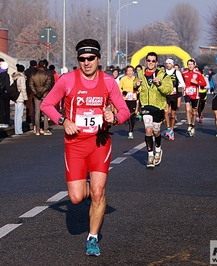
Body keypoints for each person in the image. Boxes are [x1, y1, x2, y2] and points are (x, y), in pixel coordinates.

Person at [41, 39, 130, 257]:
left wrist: (115, 117)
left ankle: (92, 238)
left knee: (99, 192)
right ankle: (90, 189)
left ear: (98, 59)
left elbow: (125, 111)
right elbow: (46, 105)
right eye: (82, 59)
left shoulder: (109, 82)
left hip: (100, 143)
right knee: (76, 198)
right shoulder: (67, 80)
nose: (86, 62)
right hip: (75, 145)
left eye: (90, 58)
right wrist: (63, 121)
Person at [134, 52, 173, 167]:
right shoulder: (140, 73)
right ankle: (150, 155)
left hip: (158, 106)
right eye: (149, 60)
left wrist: (159, 84)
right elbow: (134, 84)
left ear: (156, 62)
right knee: (148, 130)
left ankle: (158, 150)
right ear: (145, 61)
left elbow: (169, 89)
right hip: (145, 105)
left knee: (156, 131)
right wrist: (135, 84)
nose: (150, 63)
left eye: (153, 61)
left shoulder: (163, 75)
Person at [181, 59, 207, 137]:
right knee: (188, 109)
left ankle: (193, 125)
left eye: (191, 64)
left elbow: (204, 83)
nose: (190, 66)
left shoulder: (198, 73)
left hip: (195, 94)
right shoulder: (184, 73)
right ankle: (189, 124)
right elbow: (181, 81)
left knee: (194, 112)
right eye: (189, 64)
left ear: (194, 65)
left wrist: (196, 82)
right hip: (187, 93)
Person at [29, 59, 52, 135]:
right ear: (44, 65)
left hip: (36, 95)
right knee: (45, 112)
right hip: (45, 94)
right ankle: (45, 129)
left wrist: (36, 92)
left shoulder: (33, 74)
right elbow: (48, 85)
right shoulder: (46, 74)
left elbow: (31, 84)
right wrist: (42, 92)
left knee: (37, 112)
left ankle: (37, 130)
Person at [164, 58, 184, 140]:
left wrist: (174, 87)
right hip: (165, 95)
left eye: (169, 63)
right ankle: (168, 127)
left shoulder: (177, 72)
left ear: (172, 64)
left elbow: (182, 83)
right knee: (165, 111)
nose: (168, 65)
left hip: (174, 95)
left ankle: (171, 130)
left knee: (172, 115)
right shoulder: (163, 72)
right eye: (167, 63)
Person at [118, 65, 138, 139]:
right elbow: (119, 88)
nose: (130, 72)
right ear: (126, 72)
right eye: (128, 71)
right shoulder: (123, 79)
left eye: (131, 71)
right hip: (125, 99)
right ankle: (126, 120)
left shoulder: (136, 79)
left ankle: (130, 132)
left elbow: (140, 88)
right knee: (126, 114)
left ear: (133, 72)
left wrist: (137, 90)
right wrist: (123, 92)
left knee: (132, 116)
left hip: (133, 99)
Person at [12, 64, 28, 135]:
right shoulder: (22, 78)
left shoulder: (15, 77)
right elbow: (23, 88)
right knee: (20, 114)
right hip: (20, 97)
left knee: (16, 114)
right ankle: (19, 130)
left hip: (15, 97)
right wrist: (25, 98)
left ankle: (16, 129)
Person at [25, 60, 37, 130]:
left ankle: (28, 118)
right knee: (34, 106)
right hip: (34, 90)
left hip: (28, 90)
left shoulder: (26, 71)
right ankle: (33, 119)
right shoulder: (35, 72)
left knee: (28, 105)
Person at [0, 61, 11, 128]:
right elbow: (7, 85)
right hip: (5, 93)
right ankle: (6, 121)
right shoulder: (6, 75)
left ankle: (1, 121)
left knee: (1, 108)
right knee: (6, 108)